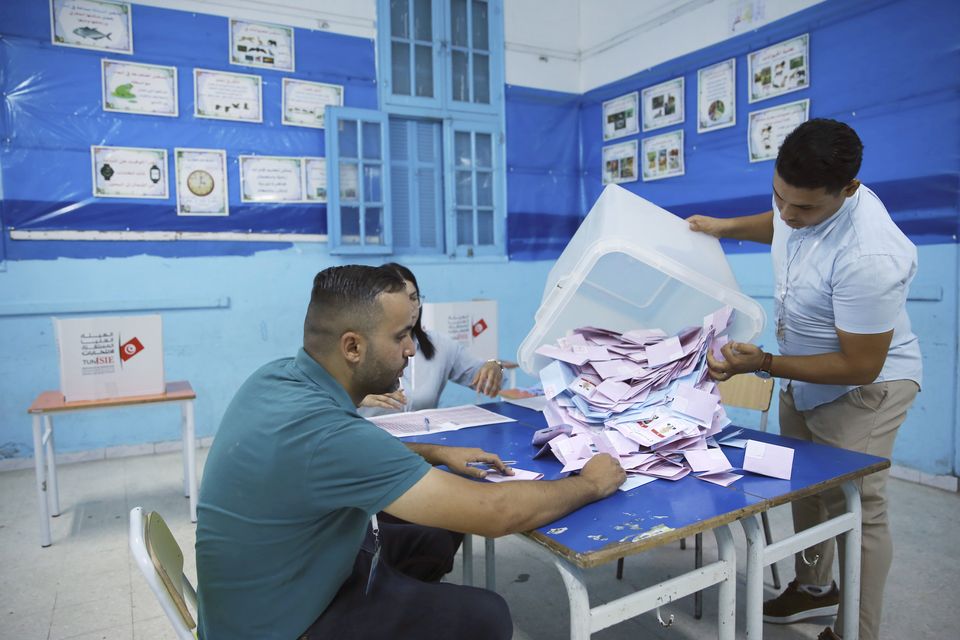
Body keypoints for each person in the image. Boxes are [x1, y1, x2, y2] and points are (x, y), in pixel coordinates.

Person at [195, 265, 625, 640]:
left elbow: (346, 454)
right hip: (285, 626)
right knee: (486, 616)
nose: (410, 349)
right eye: (401, 336)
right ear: (352, 347)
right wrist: (589, 483)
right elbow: (496, 513)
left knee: (435, 535)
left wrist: (435, 452)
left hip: (273, 588)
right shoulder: (328, 434)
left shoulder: (277, 378)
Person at [688, 118, 921, 640]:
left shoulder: (870, 255)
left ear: (849, 190)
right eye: (780, 197)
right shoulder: (801, 203)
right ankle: (814, 588)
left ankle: (856, 630)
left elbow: (860, 365)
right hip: (805, 371)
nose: (790, 215)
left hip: (866, 388)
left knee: (858, 507)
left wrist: (765, 364)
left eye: (807, 207)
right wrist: (724, 228)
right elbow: (782, 224)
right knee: (805, 489)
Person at [359, 262, 504, 416]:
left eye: (413, 298)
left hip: (422, 438)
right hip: (370, 437)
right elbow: (333, 399)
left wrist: (495, 366)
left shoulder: (440, 345)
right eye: (398, 301)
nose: (409, 308)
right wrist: (356, 400)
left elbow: (484, 374)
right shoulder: (358, 348)